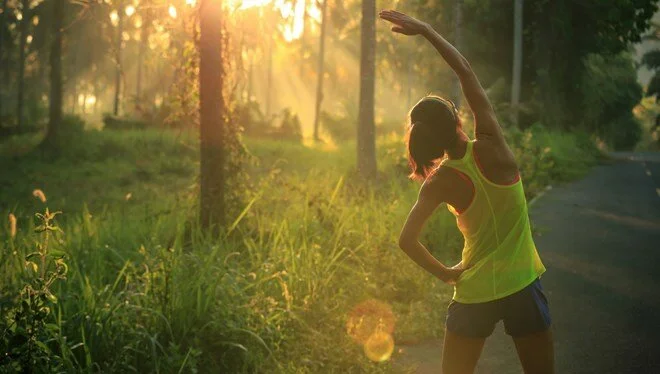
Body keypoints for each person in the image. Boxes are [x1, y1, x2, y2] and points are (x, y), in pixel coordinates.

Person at [379, 10, 554, 374]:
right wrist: (427, 30)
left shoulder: (438, 182)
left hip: (473, 293)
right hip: (522, 284)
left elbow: (406, 240)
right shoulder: (492, 145)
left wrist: (446, 273)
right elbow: (465, 71)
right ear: (458, 119)